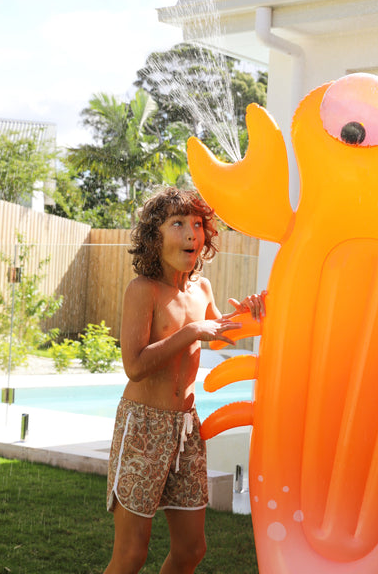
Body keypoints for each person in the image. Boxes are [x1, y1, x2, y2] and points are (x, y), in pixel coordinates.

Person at [104, 187, 265, 574]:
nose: (192, 232)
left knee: (192, 550)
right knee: (131, 556)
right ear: (153, 236)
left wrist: (255, 315)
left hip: (185, 430)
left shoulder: (202, 289)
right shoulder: (143, 290)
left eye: (197, 224)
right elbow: (135, 366)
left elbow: (222, 330)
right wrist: (191, 332)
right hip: (142, 426)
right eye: (178, 223)